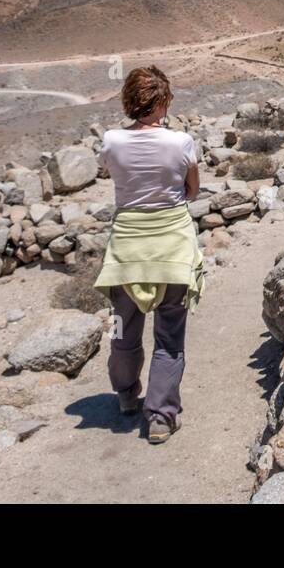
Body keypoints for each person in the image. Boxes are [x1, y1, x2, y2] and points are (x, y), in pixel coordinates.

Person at [93, 65, 204, 444]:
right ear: (164, 102)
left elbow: (114, 176)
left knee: (122, 331)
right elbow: (192, 191)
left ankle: (126, 396)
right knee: (169, 337)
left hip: (126, 252)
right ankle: (159, 416)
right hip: (171, 248)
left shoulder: (111, 141)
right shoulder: (181, 142)